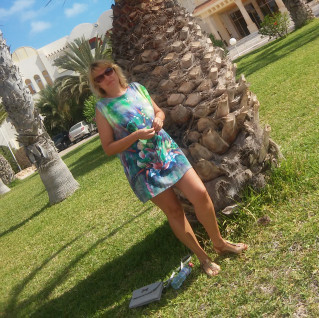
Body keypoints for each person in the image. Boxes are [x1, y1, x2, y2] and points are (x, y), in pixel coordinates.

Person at [88, 59, 247, 276]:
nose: (106, 77)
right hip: (143, 167)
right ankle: (203, 258)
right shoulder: (103, 109)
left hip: (167, 151)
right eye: (100, 77)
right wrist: (135, 136)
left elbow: (159, 112)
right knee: (174, 211)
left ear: (115, 70)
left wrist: (159, 120)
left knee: (200, 194)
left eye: (108, 71)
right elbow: (108, 148)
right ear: (97, 84)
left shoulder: (137, 89)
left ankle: (219, 243)